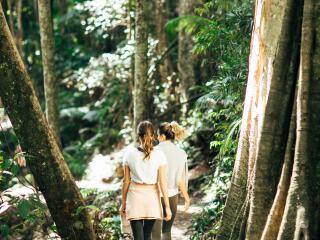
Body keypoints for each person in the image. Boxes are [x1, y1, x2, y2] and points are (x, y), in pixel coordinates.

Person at [120, 121, 172, 240]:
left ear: (138, 136)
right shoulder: (160, 155)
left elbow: (126, 181)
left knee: (138, 238)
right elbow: (162, 182)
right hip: (152, 198)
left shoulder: (129, 154)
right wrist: (167, 207)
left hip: (134, 198)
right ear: (152, 136)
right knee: (147, 236)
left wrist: (123, 204)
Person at [152, 121, 190, 240]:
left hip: (154, 195)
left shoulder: (153, 151)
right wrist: (187, 198)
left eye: (158, 136)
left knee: (155, 234)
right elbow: (180, 180)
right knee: (167, 231)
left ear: (162, 136)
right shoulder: (181, 153)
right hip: (172, 196)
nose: (157, 138)